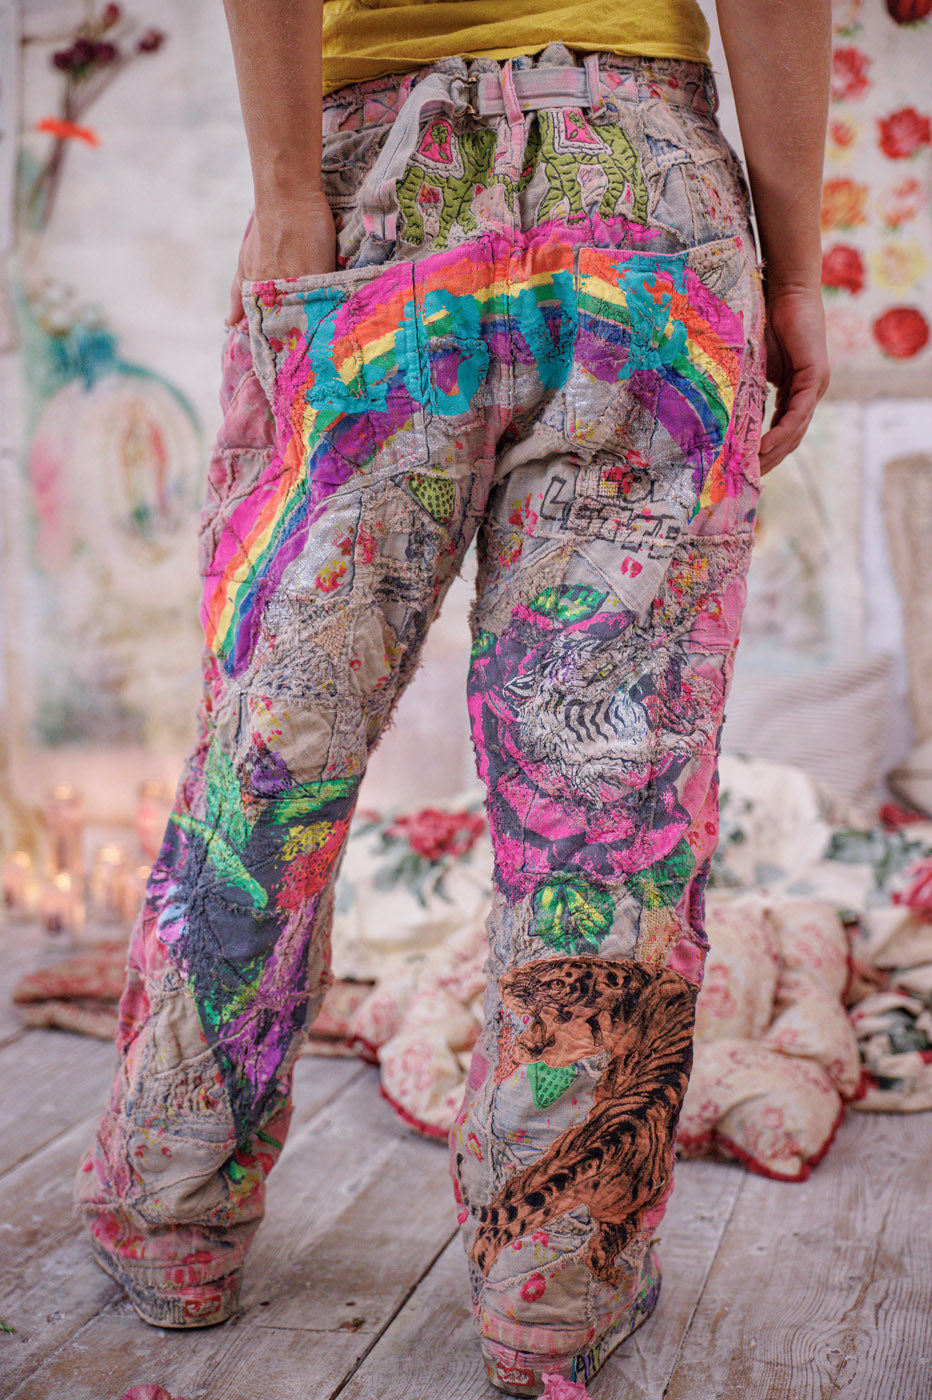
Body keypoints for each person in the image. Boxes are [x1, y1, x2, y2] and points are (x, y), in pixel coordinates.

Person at [75, 0, 831, 1393]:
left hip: (375, 187)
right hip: (648, 201)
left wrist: (287, 193)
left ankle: (170, 1214)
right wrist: (795, 268)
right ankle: (558, 1283)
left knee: (272, 757)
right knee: (611, 795)